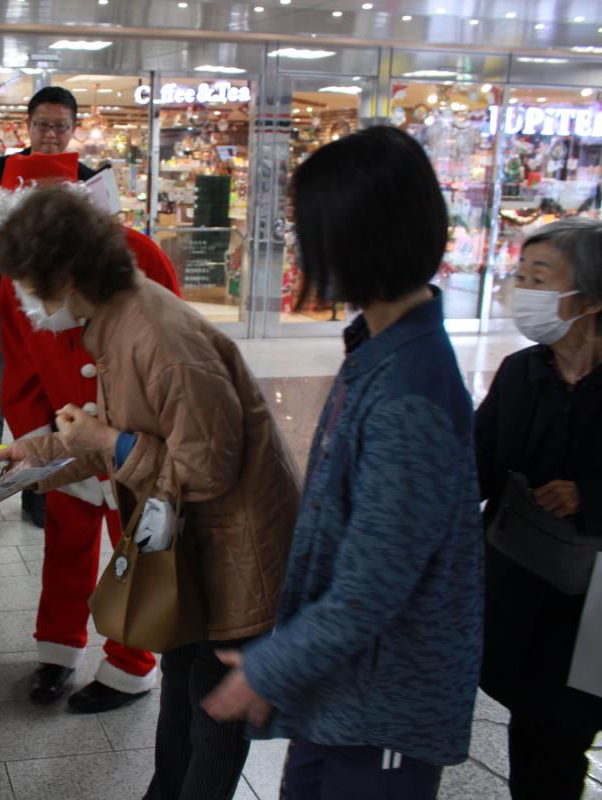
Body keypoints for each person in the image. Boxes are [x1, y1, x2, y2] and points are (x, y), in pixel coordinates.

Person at [0, 184, 299, 799]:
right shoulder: (117, 319)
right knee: (184, 691)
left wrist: (106, 440)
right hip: (189, 551)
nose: (23, 300)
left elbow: (205, 469)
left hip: (233, 560)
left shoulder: (156, 335)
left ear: (67, 274)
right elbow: (104, 438)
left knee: (212, 715)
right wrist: (18, 462)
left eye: (29, 282)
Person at [202, 126, 484, 800]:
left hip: (386, 708)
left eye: (308, 228)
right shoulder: (380, 350)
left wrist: (265, 671)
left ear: (356, 239)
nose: (299, 246)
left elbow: (372, 586)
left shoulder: (408, 393)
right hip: (344, 692)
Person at [0, 151, 184, 714]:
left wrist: (151, 439)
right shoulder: (13, 280)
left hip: (138, 440)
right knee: (66, 546)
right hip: (65, 438)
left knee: (144, 548)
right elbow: (20, 369)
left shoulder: (139, 254)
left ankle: (131, 664)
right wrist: (36, 444)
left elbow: (176, 354)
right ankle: (58, 650)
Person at [475, 218, 602, 800]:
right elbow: (479, 463)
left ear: (592, 297)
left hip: (595, 603)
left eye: (541, 278)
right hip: (528, 585)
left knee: (567, 727)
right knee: (534, 727)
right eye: (520, 275)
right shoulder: (523, 373)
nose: (524, 290)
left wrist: (589, 494)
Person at [0, 86, 94, 528]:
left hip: (60, 315)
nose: (51, 135)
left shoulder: (86, 174)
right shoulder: (2, 169)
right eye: (42, 124)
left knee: (53, 402)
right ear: (28, 126)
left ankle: (43, 494)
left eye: (61, 126)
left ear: (74, 128)